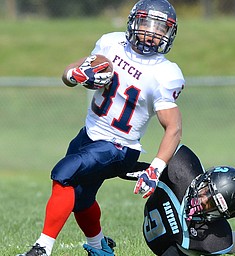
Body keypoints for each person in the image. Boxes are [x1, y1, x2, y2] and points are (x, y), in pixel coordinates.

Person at [17, 0, 184, 255]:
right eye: (147, 24)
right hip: (89, 133)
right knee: (81, 198)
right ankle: (100, 248)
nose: (151, 33)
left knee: (64, 173)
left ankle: (42, 248)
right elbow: (69, 72)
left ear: (168, 34)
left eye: (160, 28)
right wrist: (75, 76)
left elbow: (173, 127)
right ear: (133, 22)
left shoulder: (165, 73)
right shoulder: (111, 42)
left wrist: (155, 168)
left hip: (120, 147)